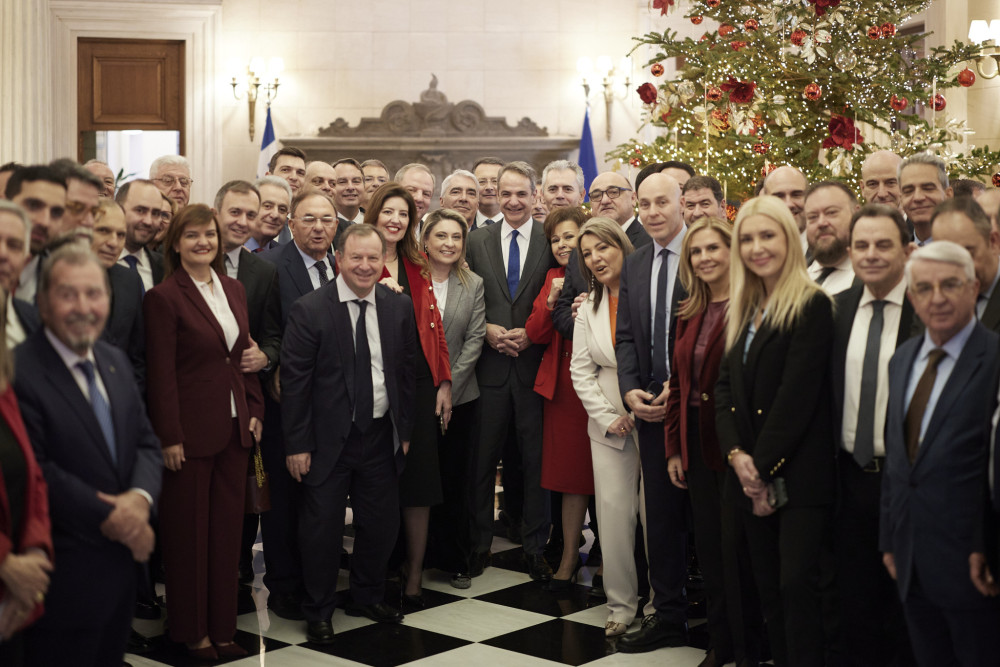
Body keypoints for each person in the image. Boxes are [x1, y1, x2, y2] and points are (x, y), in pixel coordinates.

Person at [15, 245, 161, 666]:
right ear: (42, 303)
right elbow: (36, 468)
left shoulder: (114, 360)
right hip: (61, 578)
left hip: (120, 573)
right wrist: (113, 515)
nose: (83, 307)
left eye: (94, 294)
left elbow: (146, 443)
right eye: (68, 294)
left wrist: (140, 501)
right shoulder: (19, 372)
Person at [715, 195, 836, 667]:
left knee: (797, 592)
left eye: (768, 236)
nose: (757, 247)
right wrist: (736, 456)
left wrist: (759, 469)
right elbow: (723, 389)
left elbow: (795, 400)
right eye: (747, 238)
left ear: (789, 239)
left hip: (799, 478)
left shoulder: (811, 305)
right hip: (749, 473)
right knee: (768, 593)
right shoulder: (745, 307)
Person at [282, 224, 417, 644]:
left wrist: (404, 429)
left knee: (381, 524)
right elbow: (295, 384)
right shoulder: (310, 309)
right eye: (356, 257)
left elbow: (406, 373)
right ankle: (319, 609)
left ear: (383, 261)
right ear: (338, 258)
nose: (364, 265)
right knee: (321, 530)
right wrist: (297, 444)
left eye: (373, 258)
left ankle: (367, 595)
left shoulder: (398, 307)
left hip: (379, 435)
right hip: (326, 441)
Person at [144, 204, 264, 659]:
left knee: (226, 536)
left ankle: (223, 629)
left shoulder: (233, 288)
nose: (203, 242)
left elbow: (243, 355)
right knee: (188, 537)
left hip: (235, 429)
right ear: (175, 243)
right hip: (188, 436)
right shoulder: (163, 297)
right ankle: (193, 633)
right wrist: (169, 435)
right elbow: (161, 375)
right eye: (192, 235)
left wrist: (255, 408)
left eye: (209, 235)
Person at [881, 241, 1000, 665]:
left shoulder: (994, 359)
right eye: (924, 288)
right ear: (911, 296)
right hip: (910, 559)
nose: (937, 298)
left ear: (974, 288)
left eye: (950, 285)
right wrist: (889, 538)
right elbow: (897, 459)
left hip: (974, 564)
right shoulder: (902, 359)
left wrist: (989, 547)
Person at [665, 216, 758, 667]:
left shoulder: (753, 305)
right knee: (712, 552)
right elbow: (678, 385)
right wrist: (673, 448)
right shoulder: (690, 309)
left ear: (732, 250)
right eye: (696, 251)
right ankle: (720, 645)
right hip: (696, 447)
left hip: (738, 446)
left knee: (740, 553)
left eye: (712, 248)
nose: (704, 258)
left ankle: (749, 648)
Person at [830, 204, 916, 666]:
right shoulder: (835, 310)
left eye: (884, 244)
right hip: (847, 479)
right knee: (854, 603)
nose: (871, 254)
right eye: (861, 245)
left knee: (905, 605)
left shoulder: (926, 310)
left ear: (907, 250)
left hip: (906, 480)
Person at [466, 161, 556, 581]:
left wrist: (532, 335)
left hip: (535, 369)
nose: (514, 201)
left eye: (522, 193)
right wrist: (485, 329)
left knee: (536, 463)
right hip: (488, 370)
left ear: (535, 195)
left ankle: (535, 547)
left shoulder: (550, 238)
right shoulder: (476, 240)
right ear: (496, 195)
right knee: (482, 462)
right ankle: (477, 545)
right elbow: (464, 295)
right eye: (507, 193)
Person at [614, 172, 690, 653]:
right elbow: (625, 336)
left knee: (708, 521)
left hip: (695, 407)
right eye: (646, 204)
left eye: (663, 202)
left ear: (681, 203)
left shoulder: (705, 254)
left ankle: (730, 619)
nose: (654, 211)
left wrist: (678, 388)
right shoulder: (636, 262)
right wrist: (630, 391)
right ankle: (669, 615)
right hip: (650, 411)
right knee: (659, 519)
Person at [366, 183, 451, 605]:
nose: (396, 220)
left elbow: (436, 331)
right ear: (374, 215)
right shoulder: (357, 260)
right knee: (379, 484)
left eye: (403, 214)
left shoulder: (418, 265)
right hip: (374, 386)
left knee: (419, 484)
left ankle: (414, 574)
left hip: (419, 385)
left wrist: (444, 381)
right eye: (388, 212)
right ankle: (378, 572)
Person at [569, 217, 638, 636]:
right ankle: (621, 605)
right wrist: (609, 417)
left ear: (622, 246)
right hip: (607, 421)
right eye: (587, 253)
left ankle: (663, 604)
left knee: (655, 516)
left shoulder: (646, 292)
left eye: (603, 248)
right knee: (612, 516)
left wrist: (644, 405)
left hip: (653, 413)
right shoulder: (588, 307)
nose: (596, 258)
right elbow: (580, 371)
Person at [524, 207, 592, 589]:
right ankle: (567, 556)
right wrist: (551, 302)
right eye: (556, 239)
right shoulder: (552, 277)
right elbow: (534, 333)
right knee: (569, 476)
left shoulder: (602, 270)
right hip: (563, 388)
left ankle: (609, 557)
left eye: (570, 236)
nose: (563, 244)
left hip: (601, 383)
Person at [421, 208, 486, 589]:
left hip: (461, 399)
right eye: (441, 236)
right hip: (417, 396)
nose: (449, 243)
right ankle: (413, 558)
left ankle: (456, 559)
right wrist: (429, 389)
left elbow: (475, 339)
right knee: (418, 481)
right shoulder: (410, 279)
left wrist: (448, 386)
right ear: (425, 241)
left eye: (456, 237)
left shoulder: (473, 283)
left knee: (455, 480)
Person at [0, 292, 53, 667]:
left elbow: (32, 474)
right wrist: (6, 563)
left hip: (13, 595)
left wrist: (33, 554)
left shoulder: (6, 383)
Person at [899, 153, 952, 246]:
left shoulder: (969, 248)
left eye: (928, 188)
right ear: (901, 199)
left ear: (948, 195)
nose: (918, 197)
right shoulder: (900, 250)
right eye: (908, 191)